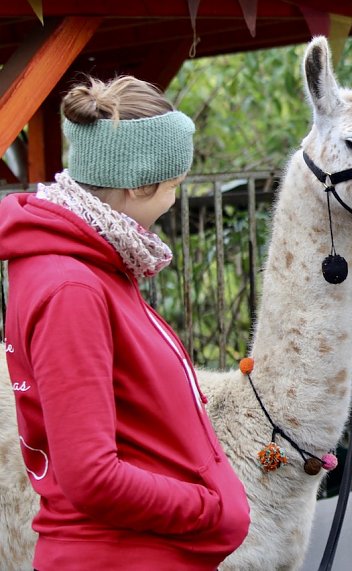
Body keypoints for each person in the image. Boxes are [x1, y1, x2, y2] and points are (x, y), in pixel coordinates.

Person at [0, 76, 250, 570]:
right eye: (173, 186)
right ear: (139, 182)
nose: (173, 201)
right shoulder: (73, 289)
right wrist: (210, 510)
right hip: (118, 556)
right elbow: (90, 476)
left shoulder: (96, 264)